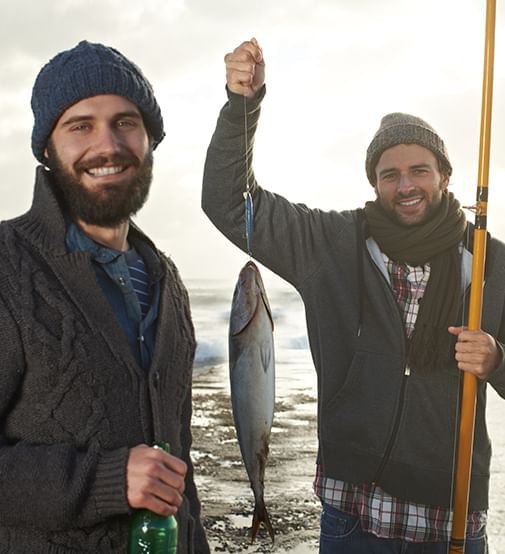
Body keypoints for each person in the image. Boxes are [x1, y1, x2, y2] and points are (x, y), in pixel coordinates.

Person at [202, 38, 505, 553]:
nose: (405, 185)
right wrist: (242, 107)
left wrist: (497, 360)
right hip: (354, 517)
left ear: (445, 177)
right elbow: (232, 203)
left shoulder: (491, 263)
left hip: (450, 521)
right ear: (374, 183)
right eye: (390, 174)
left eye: (419, 171)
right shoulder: (331, 244)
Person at [0, 40, 209, 553]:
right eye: (80, 125)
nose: (108, 144)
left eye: (125, 122)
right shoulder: (7, 266)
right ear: (46, 148)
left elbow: (176, 467)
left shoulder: (165, 278)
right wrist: (110, 479)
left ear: (149, 140)